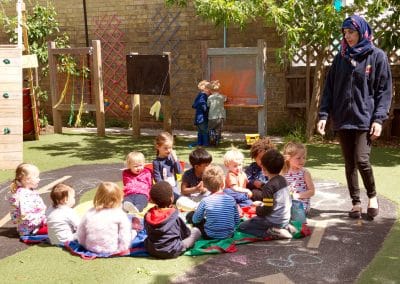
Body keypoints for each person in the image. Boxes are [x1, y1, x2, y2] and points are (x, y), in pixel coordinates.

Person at [317, 14, 392, 220]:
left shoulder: (377, 56)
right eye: (345, 33)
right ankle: (356, 203)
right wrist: (324, 114)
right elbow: (329, 89)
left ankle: (372, 196)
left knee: (362, 159)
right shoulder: (340, 58)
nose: (347, 36)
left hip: (364, 119)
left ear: (362, 32)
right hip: (342, 118)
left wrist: (378, 119)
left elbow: (384, 91)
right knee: (349, 162)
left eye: (351, 32)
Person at [238, 149, 293, 239]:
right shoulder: (283, 180)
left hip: (273, 221)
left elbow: (267, 209)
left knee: (242, 227)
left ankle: (271, 232)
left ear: (263, 168)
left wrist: (257, 209)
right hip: (285, 218)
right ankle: (284, 227)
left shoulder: (269, 187)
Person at [144, 181, 201, 259]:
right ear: (171, 198)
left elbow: (147, 231)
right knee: (196, 231)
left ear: (152, 200)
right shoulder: (174, 216)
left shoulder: (148, 215)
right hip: (173, 250)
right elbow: (185, 233)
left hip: (152, 250)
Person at [77, 182, 134, 254]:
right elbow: (125, 236)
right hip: (111, 248)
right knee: (133, 232)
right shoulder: (119, 214)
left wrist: (84, 245)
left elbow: (81, 232)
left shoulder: (90, 212)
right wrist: (122, 249)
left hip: (90, 247)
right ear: (118, 198)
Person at [187, 164, 240, 239]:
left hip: (210, 235)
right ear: (223, 183)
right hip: (229, 234)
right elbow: (237, 221)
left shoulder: (205, 201)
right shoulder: (231, 199)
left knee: (191, 215)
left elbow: (196, 220)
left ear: (205, 185)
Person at [8, 163, 47, 236]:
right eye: (36, 177)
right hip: (31, 228)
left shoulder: (29, 191)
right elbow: (25, 215)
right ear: (27, 179)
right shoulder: (23, 195)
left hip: (34, 225)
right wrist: (42, 220)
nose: (39, 179)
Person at [282, 142, 315, 221]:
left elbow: (312, 191)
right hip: (287, 200)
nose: (302, 160)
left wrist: (297, 195)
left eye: (304, 157)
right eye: (298, 158)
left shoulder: (304, 173)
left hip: (300, 203)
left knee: (293, 211)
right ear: (288, 158)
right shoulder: (283, 172)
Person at [152, 131, 182, 202]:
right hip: (163, 188)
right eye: (165, 148)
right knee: (163, 199)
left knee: (178, 198)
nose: (168, 150)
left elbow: (179, 172)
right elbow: (157, 178)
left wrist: (175, 160)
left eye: (170, 148)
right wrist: (165, 189)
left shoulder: (171, 158)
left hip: (173, 186)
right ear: (157, 147)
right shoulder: (156, 162)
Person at [207, 80, 227, 146]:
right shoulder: (222, 97)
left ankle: (212, 141)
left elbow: (208, 105)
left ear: (211, 90)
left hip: (212, 116)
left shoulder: (209, 97)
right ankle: (217, 142)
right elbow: (226, 99)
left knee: (211, 129)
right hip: (221, 116)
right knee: (218, 130)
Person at [192, 80, 210, 147]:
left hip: (198, 116)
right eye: (209, 89)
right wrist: (206, 109)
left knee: (200, 131)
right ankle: (205, 144)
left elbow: (194, 104)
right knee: (205, 131)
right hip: (202, 117)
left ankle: (199, 143)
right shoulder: (203, 95)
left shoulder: (199, 95)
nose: (209, 90)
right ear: (205, 89)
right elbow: (202, 103)